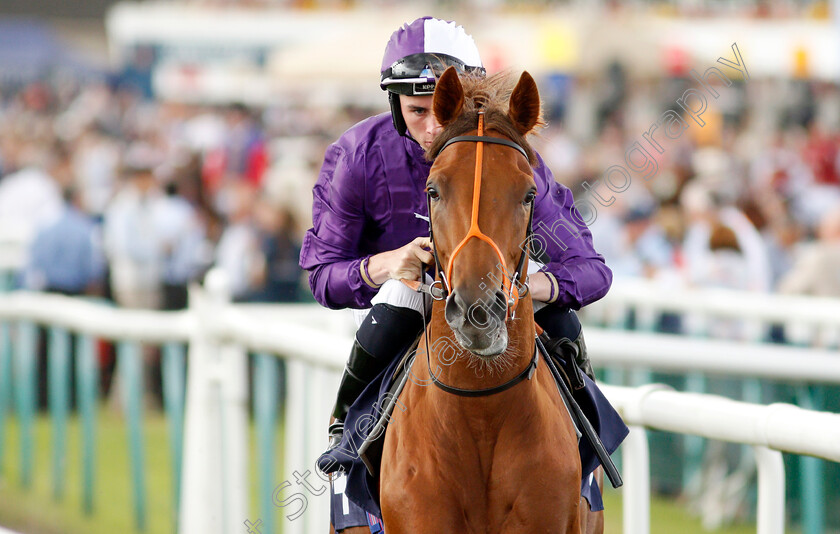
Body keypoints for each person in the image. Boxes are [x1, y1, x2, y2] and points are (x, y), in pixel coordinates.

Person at [299, 16, 611, 467]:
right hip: (410, 301)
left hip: (498, 295)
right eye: (417, 110)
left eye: (442, 110)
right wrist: (388, 265)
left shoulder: (512, 158)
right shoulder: (357, 155)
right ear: (394, 104)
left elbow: (592, 269)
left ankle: (587, 456)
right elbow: (322, 275)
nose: (431, 128)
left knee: (562, 322)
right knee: (396, 301)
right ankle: (346, 439)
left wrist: (532, 285)